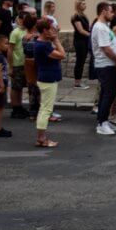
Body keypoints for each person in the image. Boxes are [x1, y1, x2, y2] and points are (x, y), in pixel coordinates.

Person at [32, 18, 64, 147]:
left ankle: (41, 137)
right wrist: (56, 40)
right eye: (51, 28)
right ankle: (41, 138)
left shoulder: (42, 42)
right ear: (45, 30)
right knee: (46, 110)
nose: (54, 30)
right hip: (47, 79)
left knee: (44, 108)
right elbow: (62, 54)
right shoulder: (43, 45)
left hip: (46, 78)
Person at [91, 2, 116, 135]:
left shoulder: (104, 26)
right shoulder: (100, 28)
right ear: (103, 11)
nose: (112, 14)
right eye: (110, 11)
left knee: (107, 93)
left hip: (108, 65)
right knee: (108, 94)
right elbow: (106, 48)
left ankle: (103, 120)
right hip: (105, 65)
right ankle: (102, 124)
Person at [70, 0, 92, 88]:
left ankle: (79, 81)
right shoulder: (76, 16)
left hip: (85, 40)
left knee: (82, 61)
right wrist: (91, 35)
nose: (85, 5)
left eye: (85, 4)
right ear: (78, 5)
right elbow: (81, 30)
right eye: (83, 4)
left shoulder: (83, 16)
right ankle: (77, 83)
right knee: (80, 61)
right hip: (80, 41)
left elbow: (87, 28)